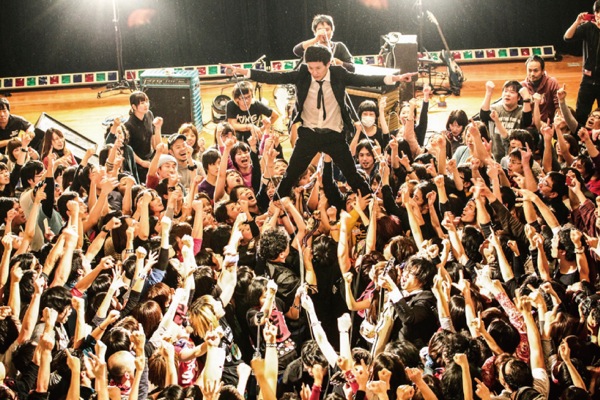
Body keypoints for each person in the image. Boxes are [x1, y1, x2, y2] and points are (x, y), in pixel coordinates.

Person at [224, 45, 415, 199]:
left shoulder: (338, 73)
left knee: (352, 175)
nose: (314, 72)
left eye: (318, 68)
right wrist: (244, 72)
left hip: (334, 136)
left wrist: (395, 78)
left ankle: (372, 203)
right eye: (310, 67)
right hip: (309, 134)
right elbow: (275, 77)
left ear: (328, 64)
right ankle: (273, 205)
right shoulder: (303, 73)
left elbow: (363, 79)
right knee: (291, 174)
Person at [564, 1, 600, 125]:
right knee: (581, 114)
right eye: (597, 12)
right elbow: (567, 37)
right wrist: (577, 22)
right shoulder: (588, 27)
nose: (598, 15)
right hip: (588, 80)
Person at [124, 91, 163, 182]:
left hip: (150, 157)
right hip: (138, 162)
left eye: (147, 101)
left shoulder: (149, 114)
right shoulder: (128, 125)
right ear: (134, 107)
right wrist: (142, 162)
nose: (146, 105)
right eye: (142, 103)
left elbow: (154, 142)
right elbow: (129, 150)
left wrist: (158, 128)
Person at [226, 81, 280, 146]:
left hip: (253, 135)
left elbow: (275, 115)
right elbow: (233, 125)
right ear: (236, 99)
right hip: (236, 135)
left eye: (249, 96)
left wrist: (261, 129)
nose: (247, 101)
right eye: (243, 98)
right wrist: (250, 126)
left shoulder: (256, 104)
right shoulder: (231, 105)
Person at [521, 55, 560, 124]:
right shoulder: (522, 86)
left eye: (535, 71)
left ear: (542, 71)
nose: (532, 74)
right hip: (529, 125)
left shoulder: (552, 83)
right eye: (529, 70)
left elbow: (558, 108)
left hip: (549, 125)